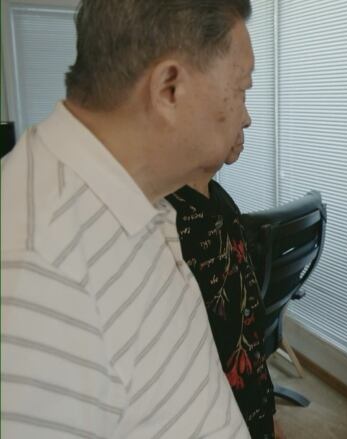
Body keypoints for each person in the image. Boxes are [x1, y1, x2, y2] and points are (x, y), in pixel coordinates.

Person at [1, 1, 256, 437]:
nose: (245, 115)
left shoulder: (141, 192)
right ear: (169, 89)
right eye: (241, 89)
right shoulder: (38, 269)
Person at [166, 134, 282, 438]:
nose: (246, 120)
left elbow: (246, 330)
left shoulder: (219, 200)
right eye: (234, 98)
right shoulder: (170, 224)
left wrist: (267, 411)